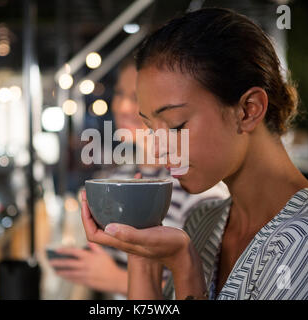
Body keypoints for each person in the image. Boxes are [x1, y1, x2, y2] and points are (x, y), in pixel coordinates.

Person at [79, 8, 308, 300]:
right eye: (150, 128)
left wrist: (185, 268)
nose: (160, 149)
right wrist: (140, 253)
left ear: (248, 110)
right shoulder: (204, 221)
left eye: (176, 126)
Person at [49, 56, 229, 298]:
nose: (122, 107)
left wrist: (114, 278)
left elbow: (202, 286)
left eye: (136, 98)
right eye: (120, 94)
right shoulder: (116, 177)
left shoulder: (196, 185)